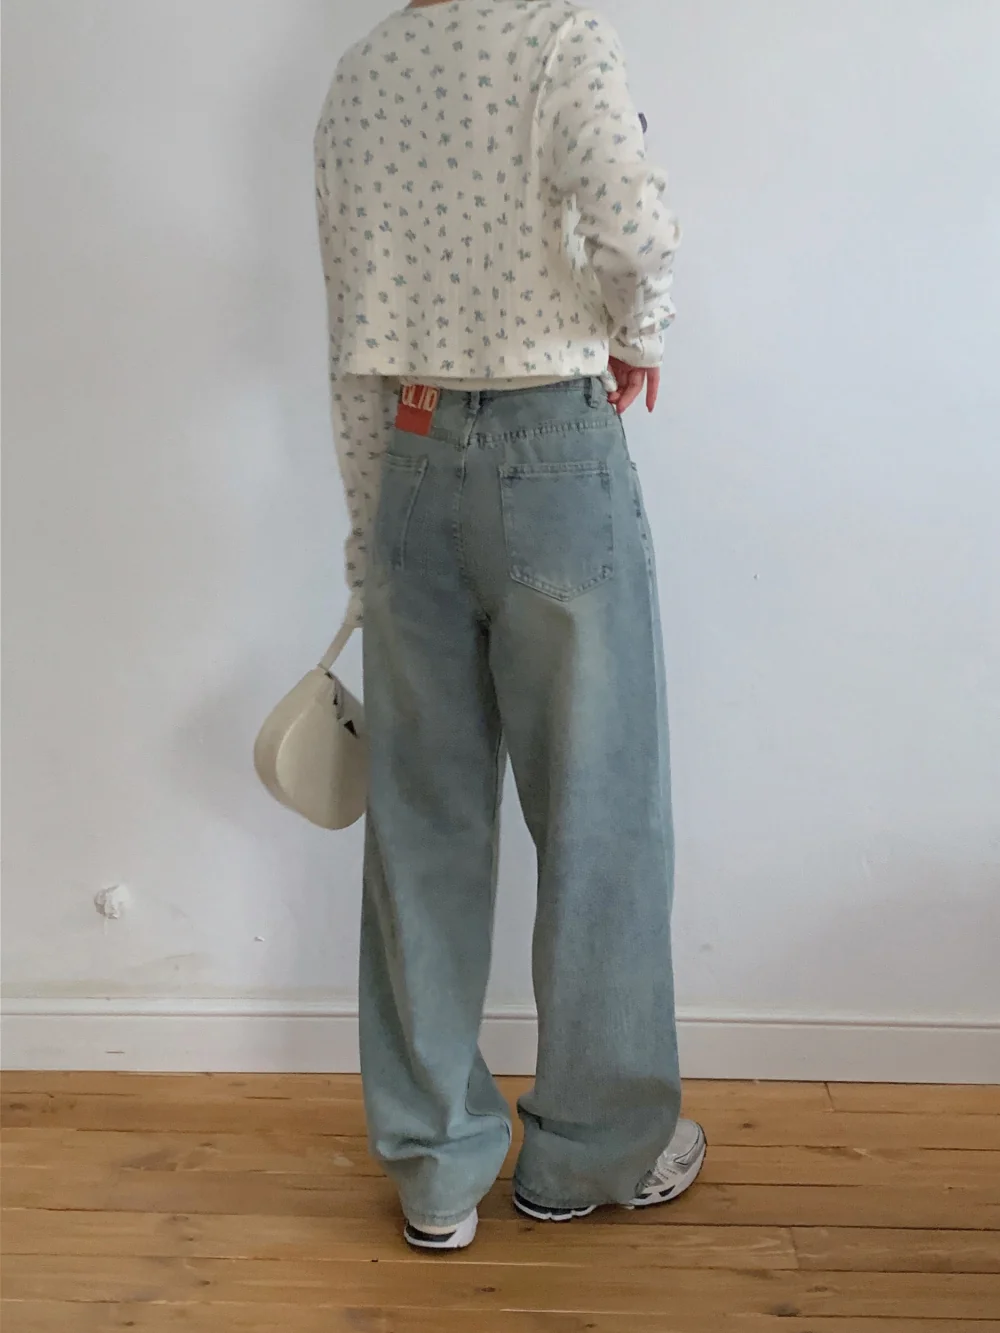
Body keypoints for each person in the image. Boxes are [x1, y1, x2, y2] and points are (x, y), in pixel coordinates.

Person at [314, 0, 705, 1251]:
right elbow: (636, 226)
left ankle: (436, 1168)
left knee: (420, 827)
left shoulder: (362, 73)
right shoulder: (558, 37)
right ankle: (586, 1154)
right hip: (555, 452)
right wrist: (640, 333)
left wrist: (368, 537)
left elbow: (352, 332)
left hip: (412, 454)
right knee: (601, 814)